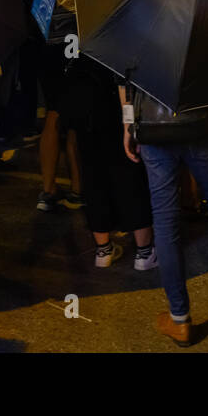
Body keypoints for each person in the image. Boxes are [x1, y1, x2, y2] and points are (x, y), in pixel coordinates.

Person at [122, 84, 208, 346]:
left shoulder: (132, 42)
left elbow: (124, 81)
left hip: (154, 130)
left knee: (165, 221)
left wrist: (127, 127)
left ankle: (180, 319)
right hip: (203, 125)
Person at [68, 58, 155, 269]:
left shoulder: (74, 32)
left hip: (84, 110)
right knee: (130, 175)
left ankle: (103, 249)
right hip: (114, 109)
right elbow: (123, 74)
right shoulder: (111, 33)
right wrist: (129, 120)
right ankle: (144, 252)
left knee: (93, 178)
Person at [37, 40, 83, 211]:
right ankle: (78, 190)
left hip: (47, 41)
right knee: (75, 115)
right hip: (73, 40)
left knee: (53, 112)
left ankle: (48, 190)